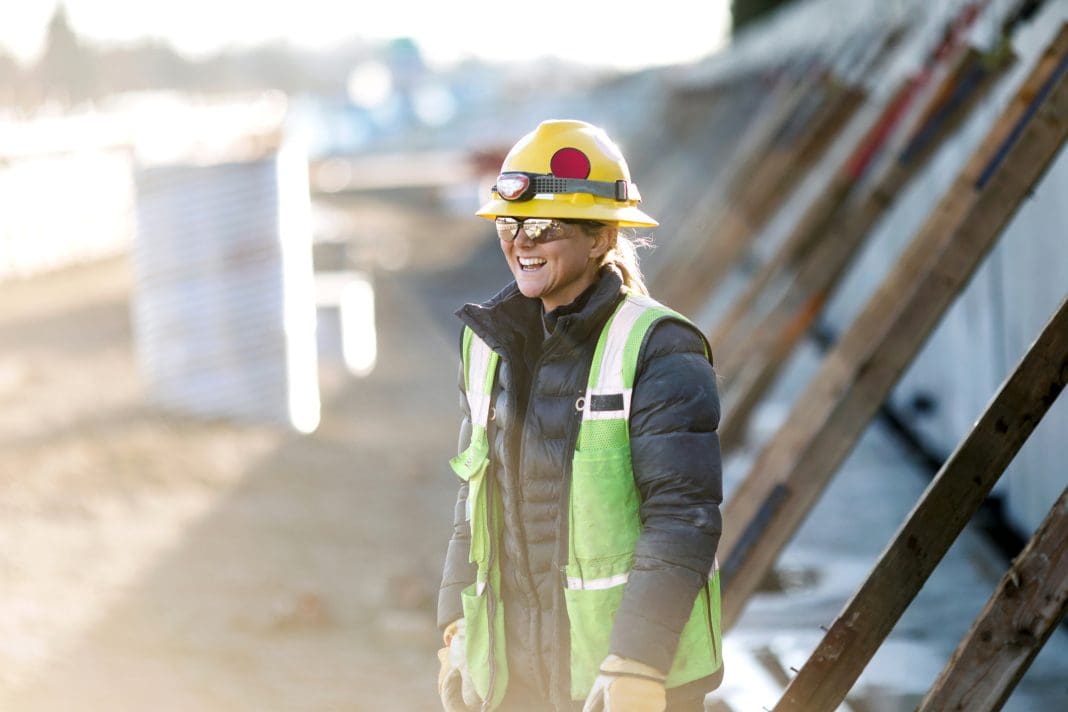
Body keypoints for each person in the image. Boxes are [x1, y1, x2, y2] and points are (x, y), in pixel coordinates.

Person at [437, 119, 723, 712]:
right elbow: (473, 502)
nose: (521, 242)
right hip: (518, 679)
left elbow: (681, 518)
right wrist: (455, 628)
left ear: (599, 239)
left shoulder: (659, 348)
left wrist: (637, 663)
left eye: (542, 226)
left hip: (621, 684)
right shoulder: (486, 346)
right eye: (509, 224)